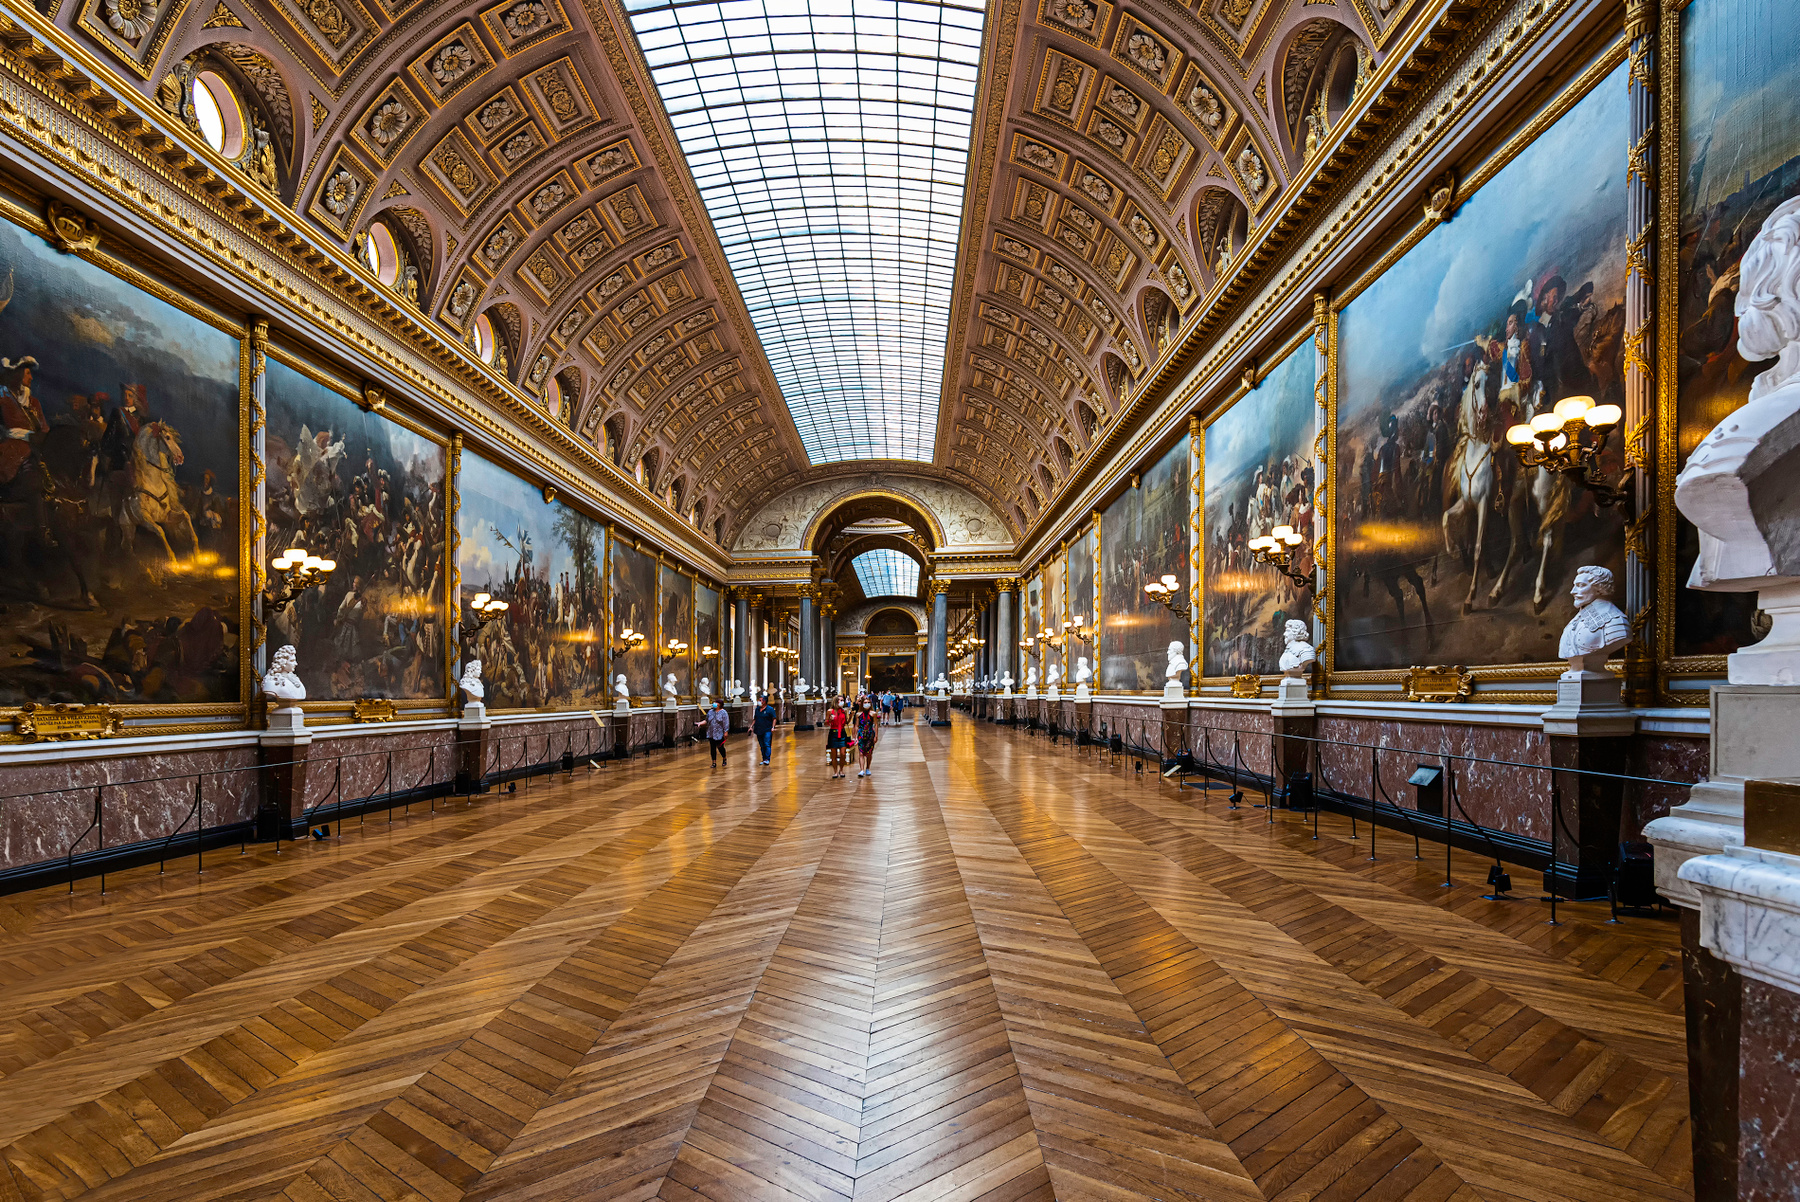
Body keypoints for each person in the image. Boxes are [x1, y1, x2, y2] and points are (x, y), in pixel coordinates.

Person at [698, 698, 730, 767]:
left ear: (720, 704)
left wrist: (726, 731)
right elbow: (706, 720)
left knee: (720, 747)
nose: (714, 704)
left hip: (720, 733)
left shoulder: (724, 713)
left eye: (716, 703)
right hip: (711, 732)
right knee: (712, 747)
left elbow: (726, 723)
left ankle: (724, 758)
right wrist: (700, 723)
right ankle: (714, 762)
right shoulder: (710, 712)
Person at [825, 697, 852, 778]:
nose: (842, 702)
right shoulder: (830, 711)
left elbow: (846, 722)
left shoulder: (843, 711)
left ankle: (841, 770)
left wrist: (851, 717)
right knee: (834, 754)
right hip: (833, 733)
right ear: (836, 701)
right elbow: (826, 723)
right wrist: (830, 720)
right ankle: (835, 772)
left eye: (843, 700)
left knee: (843, 753)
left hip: (842, 733)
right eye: (841, 700)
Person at [854, 698, 879, 777]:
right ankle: (861, 769)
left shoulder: (873, 714)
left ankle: (867, 768)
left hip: (870, 734)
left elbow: (876, 725)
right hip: (861, 734)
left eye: (868, 702)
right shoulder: (858, 714)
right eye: (865, 702)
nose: (867, 704)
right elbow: (856, 725)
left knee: (869, 753)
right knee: (861, 753)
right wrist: (855, 737)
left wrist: (876, 736)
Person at [752, 693, 777, 765]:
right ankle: (764, 759)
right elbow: (755, 719)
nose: (759, 701)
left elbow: (774, 719)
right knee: (762, 745)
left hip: (767, 729)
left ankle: (767, 759)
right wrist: (751, 727)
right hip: (759, 729)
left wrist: (773, 727)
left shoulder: (770, 709)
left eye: (760, 700)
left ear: (764, 701)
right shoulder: (757, 709)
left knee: (767, 744)